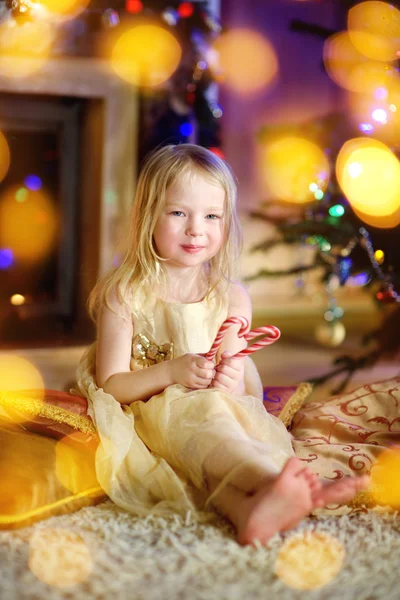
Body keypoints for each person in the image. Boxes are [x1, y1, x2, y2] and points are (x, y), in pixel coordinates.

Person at [76, 144, 369, 546]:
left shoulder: (229, 298)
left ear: (225, 222)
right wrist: (171, 373)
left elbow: (248, 390)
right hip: (148, 414)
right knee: (205, 420)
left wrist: (230, 379)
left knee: (219, 429)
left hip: (217, 410)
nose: (196, 229)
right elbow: (110, 385)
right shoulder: (125, 294)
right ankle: (281, 485)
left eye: (212, 216)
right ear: (148, 216)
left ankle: (249, 510)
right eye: (178, 213)